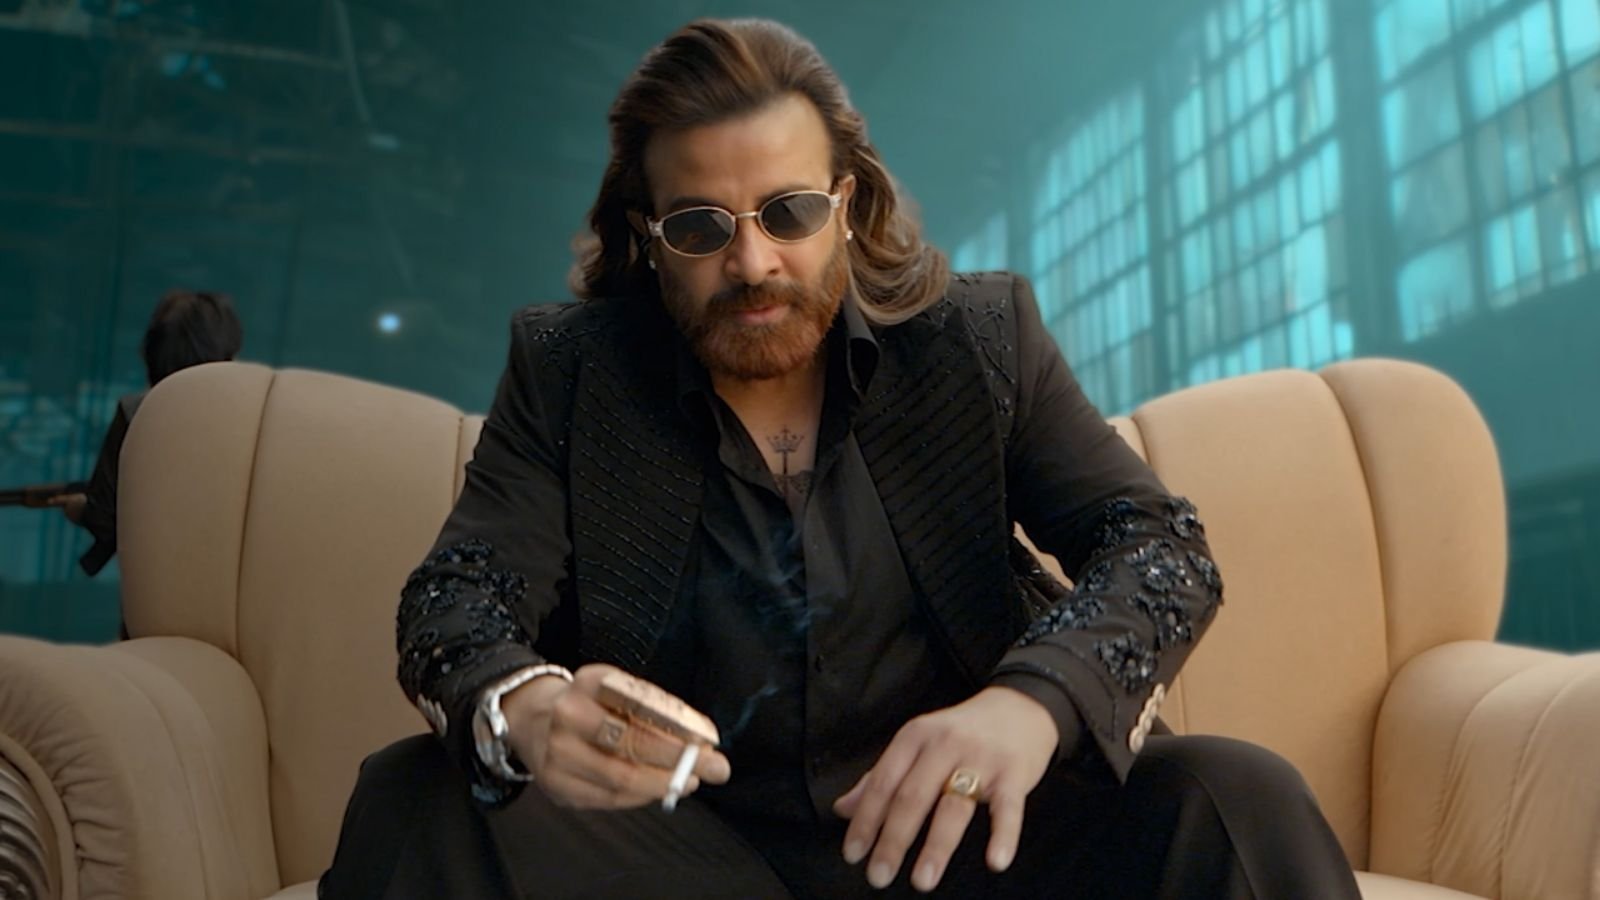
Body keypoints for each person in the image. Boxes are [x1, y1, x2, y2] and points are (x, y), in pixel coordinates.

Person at [321, 18, 1361, 899]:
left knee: (1236, 796)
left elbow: (1159, 545)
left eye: (788, 212)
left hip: (968, 847)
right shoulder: (568, 373)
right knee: (412, 797)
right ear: (647, 236)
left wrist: (1032, 703)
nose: (752, 261)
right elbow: (455, 598)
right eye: (700, 227)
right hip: (678, 859)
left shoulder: (978, 340)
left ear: (847, 205)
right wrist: (530, 709)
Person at [54, 290, 243, 576]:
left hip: (158, 587)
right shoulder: (249, 422)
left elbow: (105, 517)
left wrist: (81, 510)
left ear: (152, 353)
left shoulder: (136, 414)